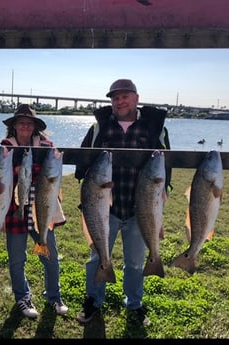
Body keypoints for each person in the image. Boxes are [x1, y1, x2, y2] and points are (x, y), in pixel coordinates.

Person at [74, 79, 172, 325]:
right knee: (96, 257)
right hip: (104, 210)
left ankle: (135, 303)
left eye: (125, 96)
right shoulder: (99, 128)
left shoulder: (153, 128)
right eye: (115, 98)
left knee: (135, 262)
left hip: (142, 209)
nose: (120, 101)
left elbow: (165, 165)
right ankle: (93, 301)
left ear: (136, 98)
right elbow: (82, 164)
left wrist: (165, 189)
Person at [1, 104, 68, 319]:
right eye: (21, 122)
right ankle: (22, 298)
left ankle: (54, 296)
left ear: (35, 127)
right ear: (14, 126)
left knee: (50, 256)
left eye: (29, 123)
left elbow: (55, 171)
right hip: (15, 210)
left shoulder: (47, 146)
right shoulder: (5, 146)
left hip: (41, 208)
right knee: (17, 258)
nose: (25, 126)